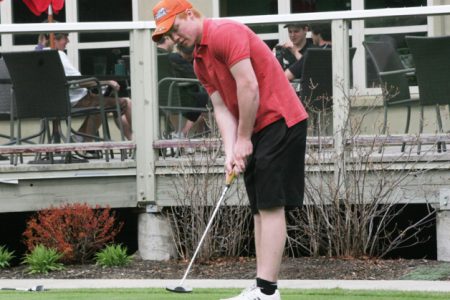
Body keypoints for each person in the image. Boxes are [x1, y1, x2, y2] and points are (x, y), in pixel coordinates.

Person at [152, 1, 308, 299]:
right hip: (257, 127)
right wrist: (231, 149)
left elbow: (248, 86)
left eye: (174, 29)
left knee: (271, 205)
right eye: (168, 36)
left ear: (189, 14)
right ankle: (263, 284)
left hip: (281, 119)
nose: (174, 38)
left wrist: (244, 138)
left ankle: (267, 290)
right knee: (259, 207)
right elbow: (222, 107)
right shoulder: (199, 60)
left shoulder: (225, 33)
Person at [52, 33, 133, 142]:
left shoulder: (41, 57)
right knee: (125, 102)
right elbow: (79, 82)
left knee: (104, 103)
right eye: (65, 38)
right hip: (78, 100)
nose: (68, 41)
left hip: (58, 103)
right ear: (54, 40)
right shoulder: (58, 55)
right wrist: (107, 82)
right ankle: (140, 139)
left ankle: (80, 137)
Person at [168, 44, 209, 138]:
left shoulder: (169, 59)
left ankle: (184, 133)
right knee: (207, 100)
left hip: (173, 96)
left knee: (205, 102)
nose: (190, 58)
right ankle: (184, 133)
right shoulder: (178, 60)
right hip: (184, 97)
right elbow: (197, 77)